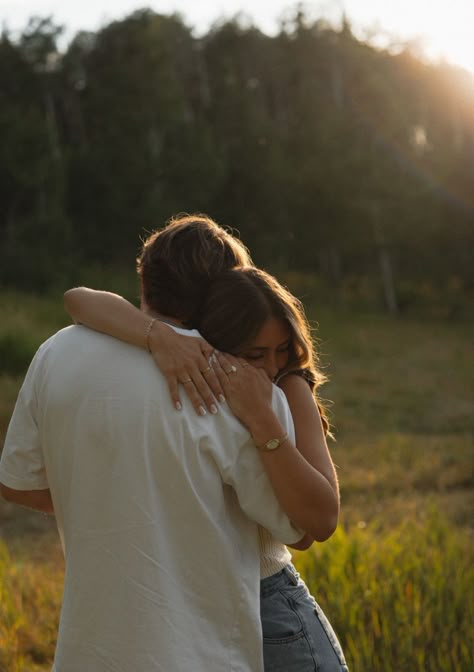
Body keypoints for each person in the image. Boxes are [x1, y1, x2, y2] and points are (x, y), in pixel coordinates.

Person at [0, 214, 305, 672]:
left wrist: (112, 498)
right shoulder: (232, 384)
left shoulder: (56, 352)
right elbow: (296, 527)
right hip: (204, 655)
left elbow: (17, 483)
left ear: (144, 278)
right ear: (222, 295)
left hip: (91, 654)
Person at [65, 263, 349, 670]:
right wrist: (158, 337)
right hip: (192, 610)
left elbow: (317, 523)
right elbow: (77, 299)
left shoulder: (287, 387)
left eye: (282, 349)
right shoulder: (197, 365)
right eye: (256, 354)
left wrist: (262, 421)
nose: (271, 366)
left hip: (272, 614)